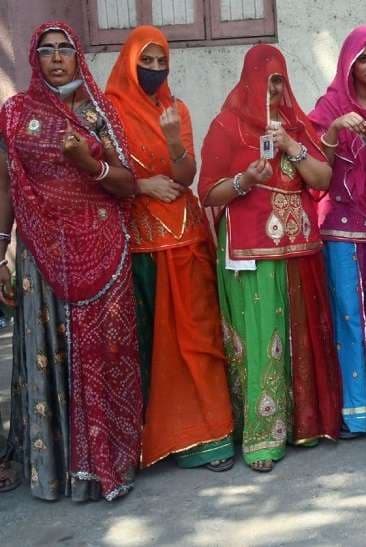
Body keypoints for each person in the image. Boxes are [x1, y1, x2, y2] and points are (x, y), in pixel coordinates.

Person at [0, 21, 142, 501]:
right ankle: (54, 467)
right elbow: (5, 186)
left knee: (101, 355)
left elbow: (128, 185)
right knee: (48, 351)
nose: (57, 58)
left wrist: (91, 164)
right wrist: (1, 249)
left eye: (65, 49)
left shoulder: (98, 113)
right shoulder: (16, 114)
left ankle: (106, 463)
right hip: (40, 255)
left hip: (102, 252)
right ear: (34, 58)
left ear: (78, 55)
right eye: (47, 50)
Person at [198, 44, 342, 473]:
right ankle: (261, 438)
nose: (272, 88)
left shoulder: (295, 124)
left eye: (278, 79)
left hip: (298, 250)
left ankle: (303, 424)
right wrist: (244, 181)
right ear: (247, 80)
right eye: (265, 79)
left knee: (299, 338)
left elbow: (322, 180)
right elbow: (207, 192)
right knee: (261, 338)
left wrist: (292, 145)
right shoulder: (227, 126)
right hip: (249, 250)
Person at [105, 26, 234, 471]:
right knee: (151, 345)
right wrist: (140, 184)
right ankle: (157, 439)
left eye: (162, 63)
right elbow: (99, 173)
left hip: (186, 238)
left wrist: (175, 138)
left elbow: (186, 176)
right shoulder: (108, 112)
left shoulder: (175, 109)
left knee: (198, 340)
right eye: (148, 61)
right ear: (129, 62)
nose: (155, 70)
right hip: (140, 243)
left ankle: (209, 438)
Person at [308, 26, 366, 437]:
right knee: (350, 317)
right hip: (341, 229)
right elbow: (311, 171)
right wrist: (332, 132)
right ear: (348, 63)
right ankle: (355, 409)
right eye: (364, 58)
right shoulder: (330, 106)